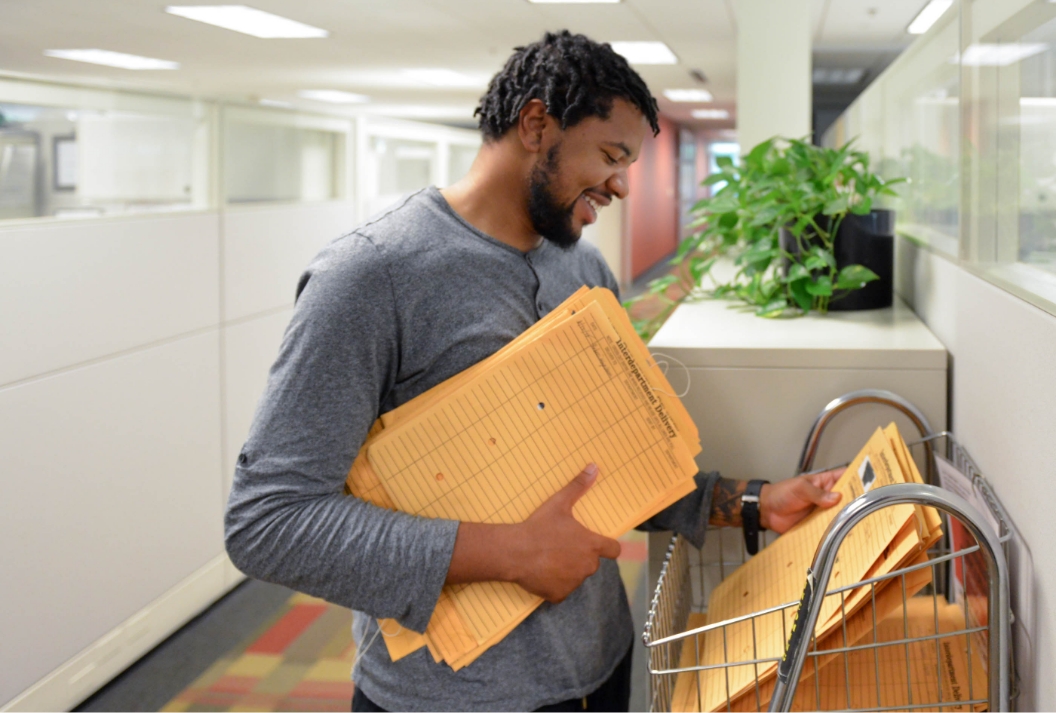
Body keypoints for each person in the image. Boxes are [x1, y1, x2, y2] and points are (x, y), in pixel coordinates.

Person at [224, 30, 843, 712]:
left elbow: (617, 464)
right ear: (536, 123)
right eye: (611, 155)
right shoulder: (372, 275)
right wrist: (511, 552)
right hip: (447, 699)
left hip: (601, 668)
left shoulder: (583, 269)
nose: (621, 185)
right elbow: (267, 519)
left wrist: (752, 500)